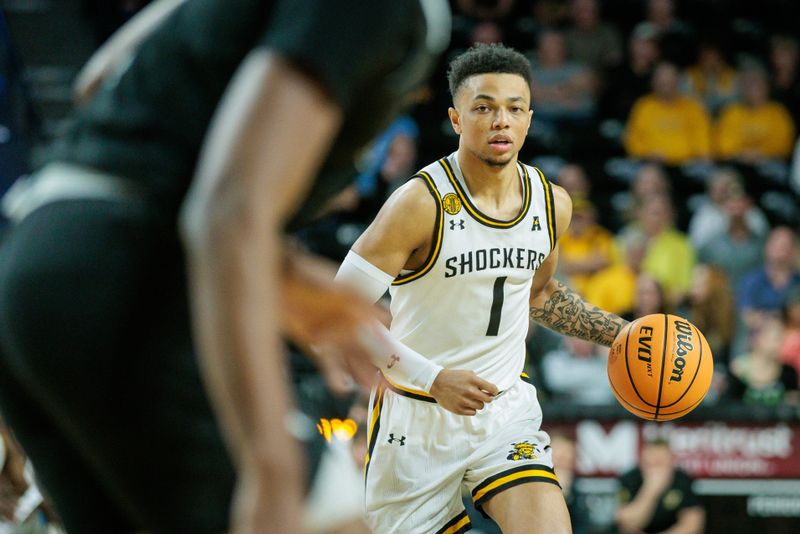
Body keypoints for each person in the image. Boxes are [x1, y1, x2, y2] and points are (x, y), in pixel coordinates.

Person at [0, 0, 451, 532]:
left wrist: (282, 268)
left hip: (34, 258)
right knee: (331, 519)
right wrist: (271, 465)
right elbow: (229, 210)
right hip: (128, 277)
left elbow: (99, 81)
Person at [335, 43, 628, 533]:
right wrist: (433, 378)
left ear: (530, 119)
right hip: (416, 422)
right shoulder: (419, 203)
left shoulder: (550, 203)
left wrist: (621, 334)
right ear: (455, 119)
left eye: (514, 109)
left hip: (504, 413)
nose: (501, 121)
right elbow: (339, 309)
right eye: (484, 108)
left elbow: (538, 294)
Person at [616, 438, 705, 534]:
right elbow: (625, 523)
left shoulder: (682, 480)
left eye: (660, 463)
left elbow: (693, 525)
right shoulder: (630, 478)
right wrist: (651, 490)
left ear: (672, 461)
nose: (655, 470)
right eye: (650, 463)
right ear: (642, 461)